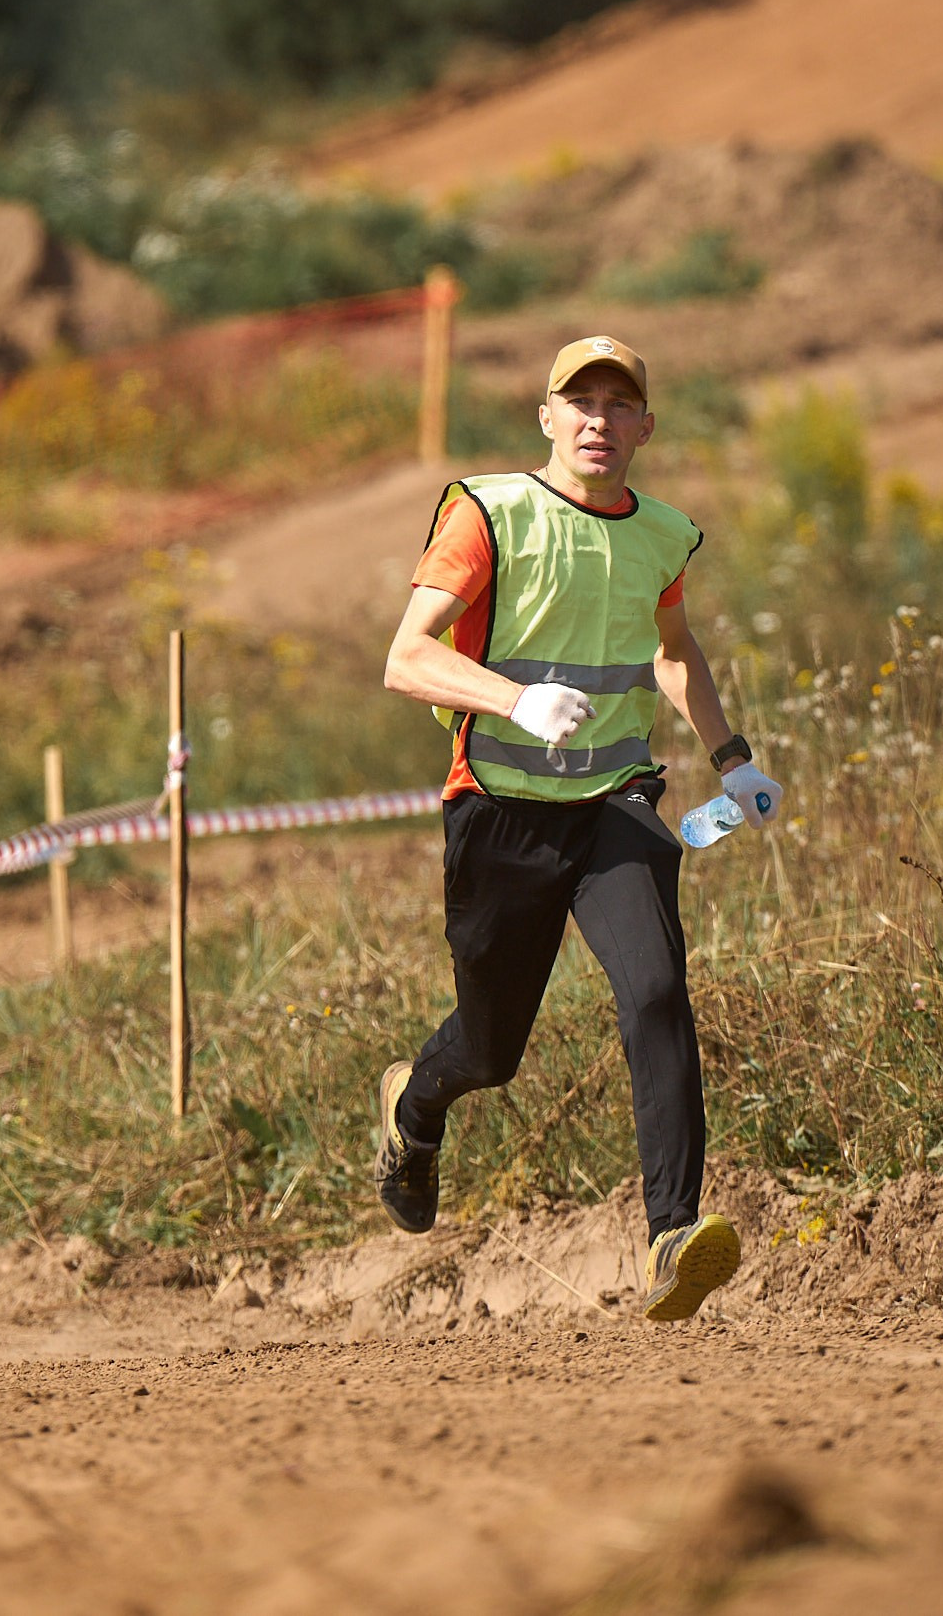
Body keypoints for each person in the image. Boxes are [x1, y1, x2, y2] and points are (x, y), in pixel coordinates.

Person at [374, 335, 782, 1322]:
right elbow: (406, 659)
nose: (599, 420)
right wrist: (514, 702)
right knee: (489, 1049)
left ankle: (670, 1238)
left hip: (615, 804)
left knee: (655, 990)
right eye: (579, 403)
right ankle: (412, 1103)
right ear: (548, 419)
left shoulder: (664, 535)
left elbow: (672, 652)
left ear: (645, 426)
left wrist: (734, 758)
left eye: (619, 405)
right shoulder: (489, 514)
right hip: (499, 809)